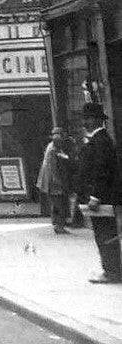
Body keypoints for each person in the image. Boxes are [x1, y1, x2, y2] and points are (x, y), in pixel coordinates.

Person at [77, 102, 121, 283]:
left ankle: (112, 272)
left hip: (101, 198)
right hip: (99, 197)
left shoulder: (101, 140)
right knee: (103, 234)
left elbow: (102, 171)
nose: (85, 122)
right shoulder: (98, 140)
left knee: (105, 235)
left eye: (88, 119)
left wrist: (95, 196)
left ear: (96, 120)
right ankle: (111, 270)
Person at [36, 127, 72, 234]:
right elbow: (53, 168)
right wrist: (58, 181)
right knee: (59, 202)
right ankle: (59, 225)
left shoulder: (53, 146)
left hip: (49, 179)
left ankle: (58, 224)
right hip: (52, 180)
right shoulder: (53, 149)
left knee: (57, 202)